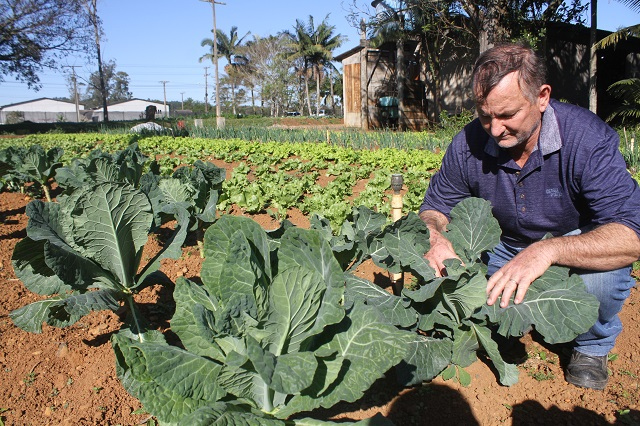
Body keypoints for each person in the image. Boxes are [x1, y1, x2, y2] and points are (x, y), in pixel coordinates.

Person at [419, 42, 640, 390]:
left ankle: (592, 344)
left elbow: (631, 235)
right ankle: (514, 314)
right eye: (484, 114)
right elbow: (435, 207)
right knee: (449, 273)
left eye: (507, 115)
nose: (494, 129)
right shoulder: (469, 142)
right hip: (503, 247)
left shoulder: (586, 139)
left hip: (571, 246)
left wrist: (546, 252)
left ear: (542, 97)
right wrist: (435, 235)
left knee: (603, 280)